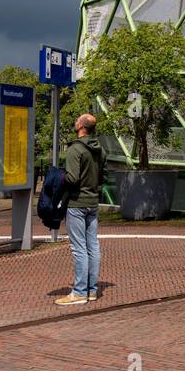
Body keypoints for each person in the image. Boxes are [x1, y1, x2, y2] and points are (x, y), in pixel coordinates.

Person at [54, 113, 105, 306]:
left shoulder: (76, 149)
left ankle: (79, 292)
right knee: (93, 246)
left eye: (77, 120)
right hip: (93, 202)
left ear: (82, 127)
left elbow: (72, 178)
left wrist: (58, 178)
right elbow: (102, 176)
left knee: (79, 248)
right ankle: (92, 290)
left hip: (77, 203)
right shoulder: (100, 149)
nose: (75, 122)